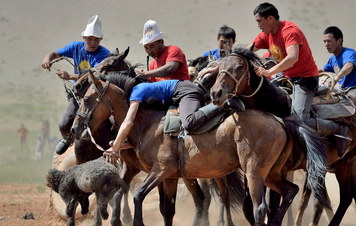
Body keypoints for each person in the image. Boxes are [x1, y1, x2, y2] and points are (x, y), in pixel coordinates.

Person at [248, 2, 350, 157]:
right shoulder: (266, 34)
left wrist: (269, 71)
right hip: (285, 77)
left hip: (305, 79)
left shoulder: (290, 31)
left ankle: (337, 128)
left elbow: (292, 57)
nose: (258, 25)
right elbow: (249, 50)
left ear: (270, 18)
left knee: (299, 118)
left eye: (259, 21)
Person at [103, 79, 245, 161]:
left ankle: (225, 103)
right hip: (181, 93)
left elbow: (128, 122)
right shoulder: (139, 91)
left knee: (189, 123)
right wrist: (118, 145)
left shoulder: (136, 92)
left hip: (184, 91)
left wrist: (115, 147)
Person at [41, 15, 110, 155]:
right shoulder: (75, 47)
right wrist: (47, 58)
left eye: (96, 39)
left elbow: (94, 75)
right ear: (84, 38)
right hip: (78, 94)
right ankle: (68, 139)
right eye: (89, 39)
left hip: (96, 95)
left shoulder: (104, 54)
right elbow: (55, 53)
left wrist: (70, 76)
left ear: (100, 40)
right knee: (64, 123)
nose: (92, 42)